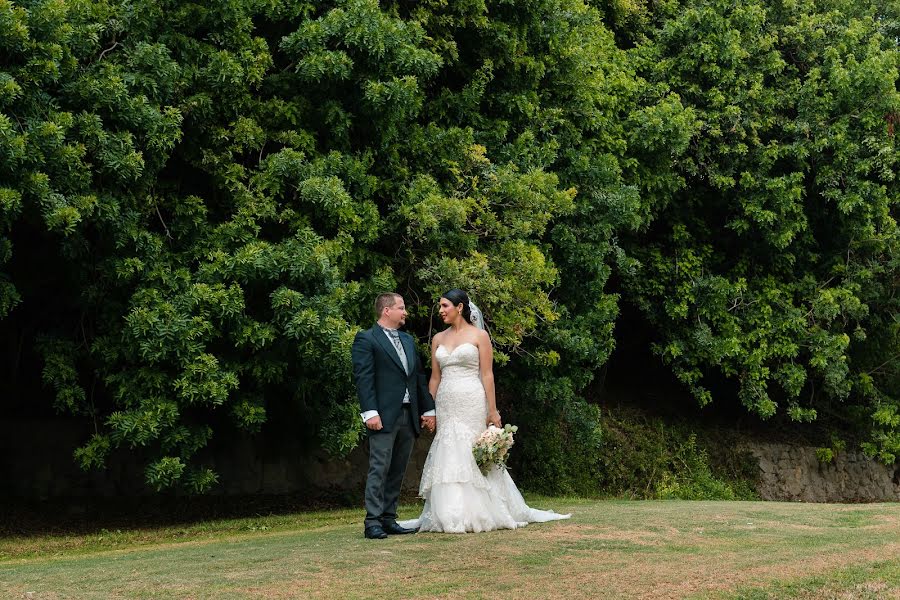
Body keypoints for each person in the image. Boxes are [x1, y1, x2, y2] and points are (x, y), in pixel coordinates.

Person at [399, 289, 570, 533]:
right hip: (446, 401)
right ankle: (449, 512)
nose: (441, 310)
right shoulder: (437, 339)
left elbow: (487, 374)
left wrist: (493, 410)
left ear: (460, 307)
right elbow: (435, 378)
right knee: (449, 448)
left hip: (472, 398)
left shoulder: (480, 336)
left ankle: (483, 509)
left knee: (470, 450)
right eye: (440, 306)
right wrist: (430, 409)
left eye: (445, 306)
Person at [352, 293, 436, 540]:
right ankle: (373, 522)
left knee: (398, 469)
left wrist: (428, 409)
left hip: (408, 416)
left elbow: (419, 378)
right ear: (386, 310)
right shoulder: (366, 339)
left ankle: (389, 518)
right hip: (383, 415)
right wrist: (370, 412)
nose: (405, 312)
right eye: (401, 307)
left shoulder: (408, 340)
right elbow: (364, 379)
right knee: (379, 467)